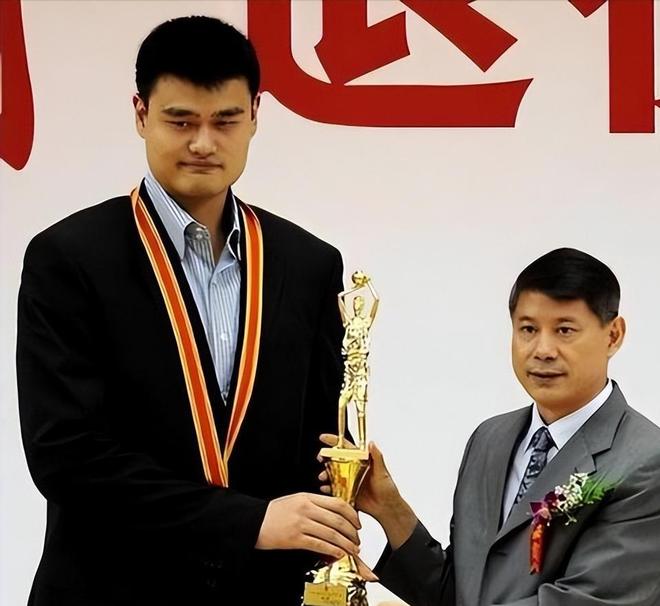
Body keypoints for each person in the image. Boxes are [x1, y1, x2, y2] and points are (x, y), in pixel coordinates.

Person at [17, 16, 362, 606]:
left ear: (255, 114)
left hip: (262, 594)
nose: (203, 143)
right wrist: (247, 522)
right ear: (140, 114)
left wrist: (335, 530)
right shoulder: (69, 258)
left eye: (225, 121)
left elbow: (321, 446)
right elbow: (67, 456)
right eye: (181, 121)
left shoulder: (309, 264)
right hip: (110, 588)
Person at [321, 248, 660, 606]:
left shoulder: (645, 461)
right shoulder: (490, 439)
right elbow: (460, 596)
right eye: (528, 329)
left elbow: (585, 601)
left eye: (564, 330)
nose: (543, 350)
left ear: (613, 335)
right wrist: (389, 508)